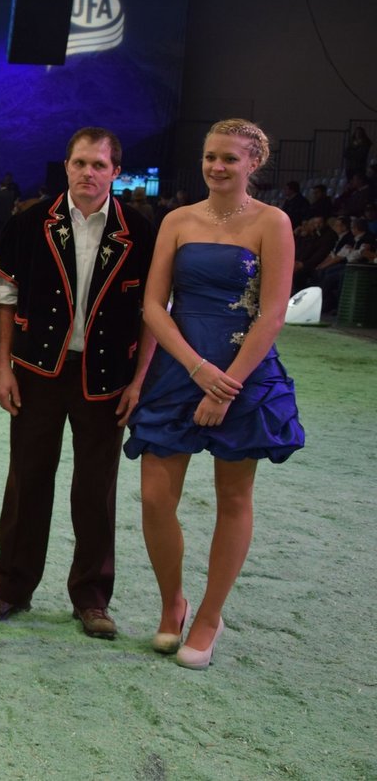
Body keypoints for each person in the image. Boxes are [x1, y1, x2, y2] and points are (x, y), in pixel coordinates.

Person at [125, 118, 304, 669]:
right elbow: (154, 305)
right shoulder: (177, 220)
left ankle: (209, 615)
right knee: (155, 500)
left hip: (244, 376)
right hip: (181, 368)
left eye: (230, 158)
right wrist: (195, 367)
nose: (218, 167)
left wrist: (225, 386)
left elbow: (273, 314)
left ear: (254, 164)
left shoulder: (273, 223)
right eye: (210, 157)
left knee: (233, 499)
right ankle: (171, 605)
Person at [0, 127, 156, 639]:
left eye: (99, 165)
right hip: (36, 371)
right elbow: (6, 300)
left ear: (116, 171)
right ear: (67, 167)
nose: (88, 173)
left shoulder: (142, 231)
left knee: (96, 490)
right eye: (79, 163)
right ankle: (11, 588)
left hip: (107, 377)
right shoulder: (29, 222)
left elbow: (152, 313)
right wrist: (4, 367)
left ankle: (92, 598)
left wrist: (139, 382)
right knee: (27, 481)